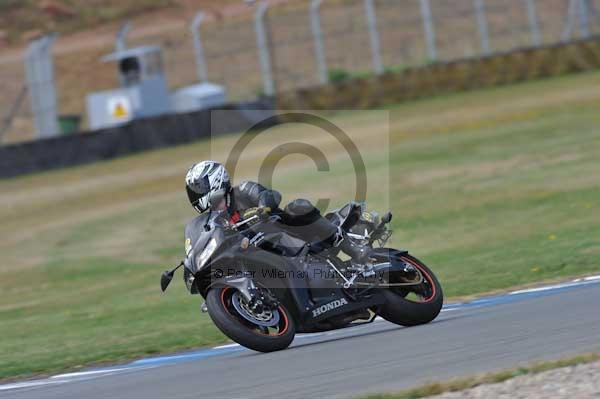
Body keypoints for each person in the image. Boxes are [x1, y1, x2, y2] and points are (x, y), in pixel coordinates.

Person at [184, 160, 368, 261]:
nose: (196, 193)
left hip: (287, 233)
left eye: (199, 187)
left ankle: (347, 245)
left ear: (215, 179)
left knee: (297, 206)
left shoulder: (243, 190)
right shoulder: (211, 222)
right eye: (194, 190)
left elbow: (270, 195)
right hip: (258, 256)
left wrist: (263, 209)